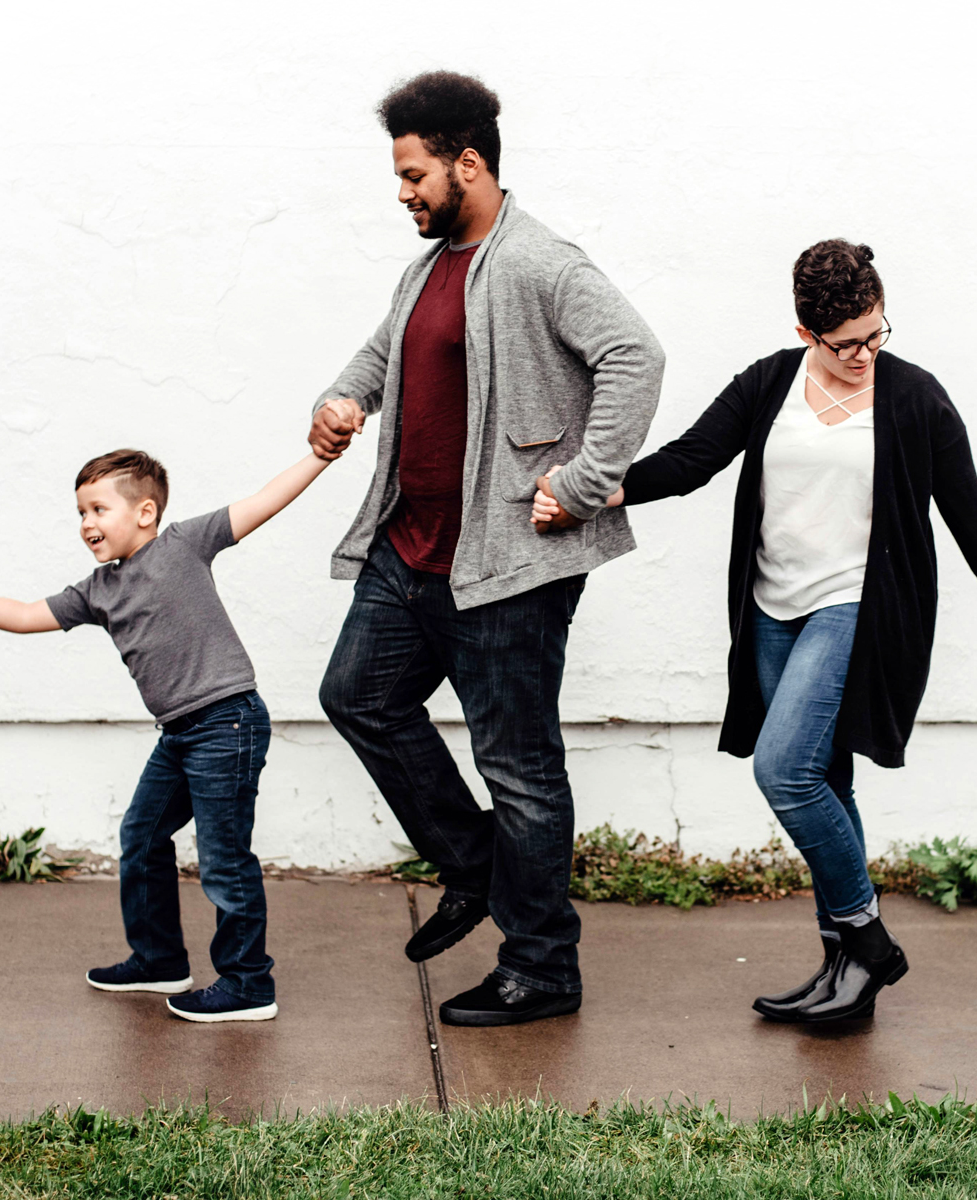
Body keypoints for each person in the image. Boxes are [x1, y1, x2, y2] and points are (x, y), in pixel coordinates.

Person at [533, 240, 977, 1023]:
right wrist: (591, 493)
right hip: (772, 610)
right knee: (826, 781)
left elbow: (968, 507)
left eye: (877, 334)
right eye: (846, 344)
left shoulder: (914, 398)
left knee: (785, 772)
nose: (865, 354)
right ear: (808, 333)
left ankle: (868, 941)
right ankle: (845, 976)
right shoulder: (773, 382)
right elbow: (693, 459)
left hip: (855, 607)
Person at [309, 71, 664, 1027]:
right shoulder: (428, 267)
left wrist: (584, 483)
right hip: (410, 551)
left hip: (505, 564)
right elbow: (384, 353)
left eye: (414, 173)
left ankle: (543, 967)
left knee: (519, 766)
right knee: (358, 697)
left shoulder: (542, 263)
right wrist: (342, 400)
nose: (403, 192)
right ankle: (475, 870)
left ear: (469, 163)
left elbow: (637, 356)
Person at [0, 447, 333, 1023]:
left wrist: (320, 456)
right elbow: (27, 613)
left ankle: (249, 983)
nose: (86, 524)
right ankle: (159, 959)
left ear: (145, 512)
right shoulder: (98, 589)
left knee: (224, 858)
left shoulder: (185, 544)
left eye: (99, 509)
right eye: (80, 512)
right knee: (143, 834)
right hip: (179, 733)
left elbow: (264, 501)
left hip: (226, 722)